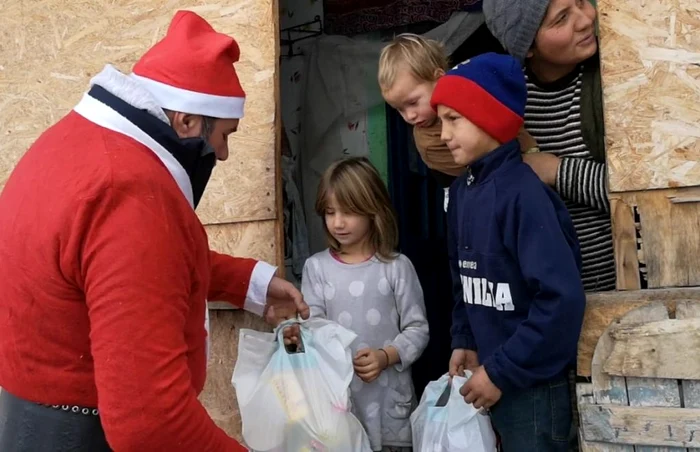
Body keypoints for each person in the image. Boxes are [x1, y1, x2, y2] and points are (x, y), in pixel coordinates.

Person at [0, 10, 308, 452]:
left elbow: (118, 266)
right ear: (185, 121)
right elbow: (151, 425)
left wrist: (251, 284)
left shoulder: (74, 145)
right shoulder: (127, 191)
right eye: (224, 135)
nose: (222, 155)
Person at [432, 53, 586, 452]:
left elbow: (561, 299)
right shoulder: (463, 193)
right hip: (491, 375)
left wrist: (500, 372)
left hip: (533, 388)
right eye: (440, 119)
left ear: (490, 117)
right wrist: (464, 338)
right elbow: (463, 276)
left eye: (454, 119)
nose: (442, 134)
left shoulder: (525, 196)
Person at [483, 0, 615, 293]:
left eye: (581, 2)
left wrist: (556, 170)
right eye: (561, 19)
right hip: (551, 304)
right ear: (528, 46)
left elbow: (648, 197)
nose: (585, 20)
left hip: (627, 290)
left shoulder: (618, 78)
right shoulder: (507, 104)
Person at [300, 157, 429, 452]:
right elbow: (313, 330)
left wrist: (386, 356)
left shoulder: (397, 267)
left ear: (374, 210)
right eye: (330, 212)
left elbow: (418, 329)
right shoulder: (316, 268)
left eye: (349, 211)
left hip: (389, 410)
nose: (338, 222)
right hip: (339, 408)